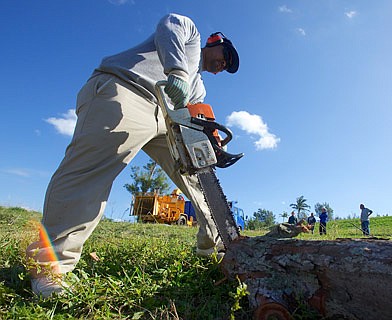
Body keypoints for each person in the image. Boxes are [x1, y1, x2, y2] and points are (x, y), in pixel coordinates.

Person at [25, 13, 240, 298]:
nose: (222, 64)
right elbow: (171, 24)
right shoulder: (191, 37)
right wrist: (176, 71)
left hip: (168, 118)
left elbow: (197, 112)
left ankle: (214, 250)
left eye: (226, 66)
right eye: (224, 56)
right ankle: (49, 268)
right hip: (127, 90)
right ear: (214, 43)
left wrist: (211, 142)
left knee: (201, 182)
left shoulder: (198, 86)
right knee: (90, 173)